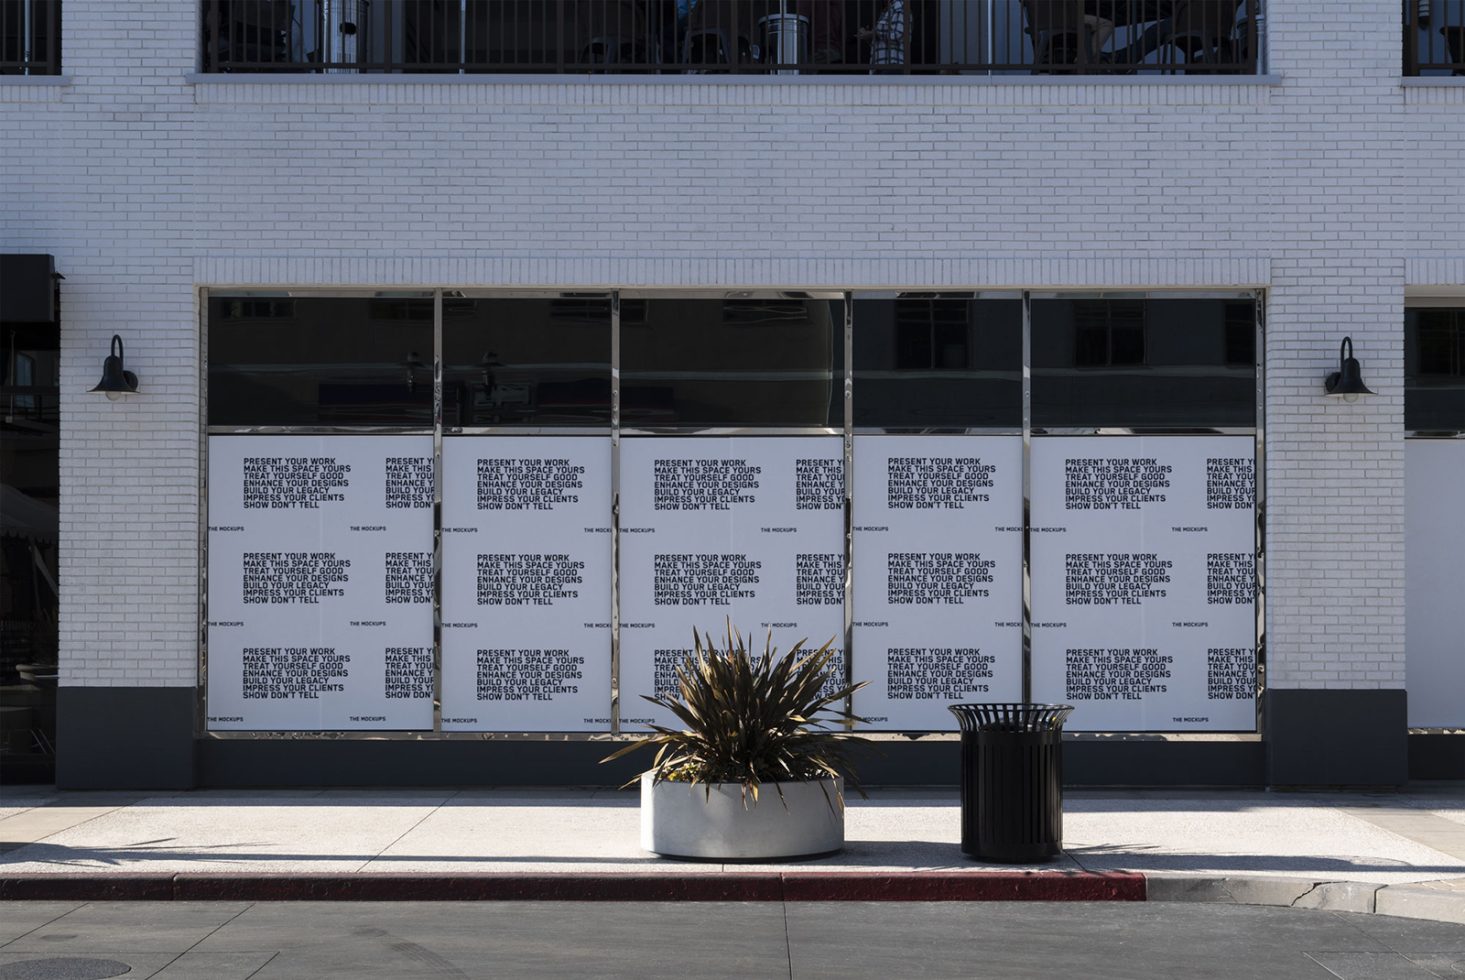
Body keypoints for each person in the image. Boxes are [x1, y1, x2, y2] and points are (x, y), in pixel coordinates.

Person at [858, 0, 906, 69]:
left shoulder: (899, 7)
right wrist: (869, 36)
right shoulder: (886, 10)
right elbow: (880, 43)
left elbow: (898, 35)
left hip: (892, 65)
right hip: (878, 64)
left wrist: (875, 34)